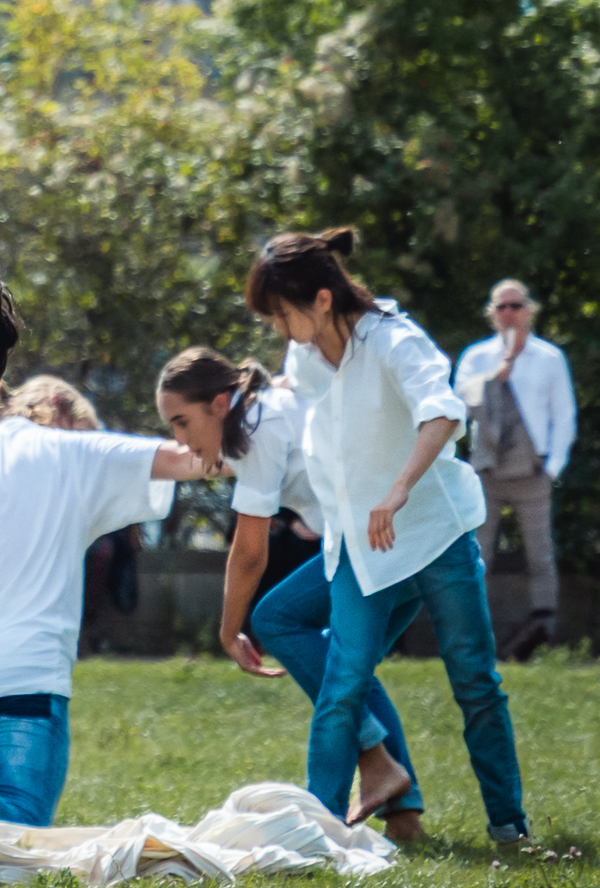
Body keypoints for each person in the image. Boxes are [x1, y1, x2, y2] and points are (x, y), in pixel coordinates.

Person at [251, 229, 534, 846]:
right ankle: (320, 839)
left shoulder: (393, 340)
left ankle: (509, 826)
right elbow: (300, 404)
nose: (279, 327)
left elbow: (443, 410)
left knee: (474, 681)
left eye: (282, 313)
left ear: (322, 299)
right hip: (363, 545)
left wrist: (401, 485)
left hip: (434, 533)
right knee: (342, 685)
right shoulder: (304, 354)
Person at [0, 374, 207, 826]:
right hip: (24, 676)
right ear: (62, 408)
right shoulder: (76, 451)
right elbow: (194, 459)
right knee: (23, 818)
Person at [158, 345, 420, 833]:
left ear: (219, 403)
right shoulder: (266, 407)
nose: (180, 439)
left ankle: (327, 819)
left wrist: (228, 630)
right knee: (346, 668)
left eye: (181, 422)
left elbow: (250, 551)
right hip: (393, 541)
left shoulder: (256, 428)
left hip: (376, 546)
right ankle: (403, 813)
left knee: (278, 620)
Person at [451, 279, 579, 659]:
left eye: (515, 306)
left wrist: (554, 466)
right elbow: (458, 404)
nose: (509, 314)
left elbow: (564, 414)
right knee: (479, 554)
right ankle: (473, 634)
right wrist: (497, 373)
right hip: (487, 469)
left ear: (529, 310)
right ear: (492, 313)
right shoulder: (476, 356)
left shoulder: (549, 358)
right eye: (501, 307)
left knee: (540, 554)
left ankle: (543, 630)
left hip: (531, 468)